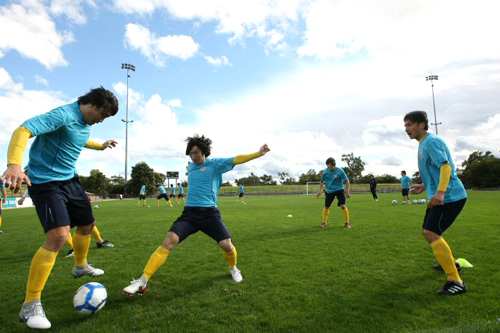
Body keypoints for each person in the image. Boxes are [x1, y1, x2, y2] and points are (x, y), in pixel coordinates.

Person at [1, 86, 119, 329]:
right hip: (45, 182)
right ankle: (30, 304)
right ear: (93, 105)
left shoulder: (84, 123)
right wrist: (14, 164)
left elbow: (81, 140)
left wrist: (101, 145)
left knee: (87, 224)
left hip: (70, 180)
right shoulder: (63, 115)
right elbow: (23, 129)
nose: (101, 120)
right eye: (103, 115)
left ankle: (80, 266)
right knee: (59, 236)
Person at [123, 135, 270, 295]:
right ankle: (142, 281)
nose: (193, 156)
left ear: (204, 152)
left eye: (196, 153)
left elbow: (236, 159)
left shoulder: (215, 164)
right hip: (190, 214)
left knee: (227, 245)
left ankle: (233, 268)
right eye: (191, 153)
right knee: (168, 241)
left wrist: (258, 153)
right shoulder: (191, 166)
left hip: (210, 214)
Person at [404, 110, 468, 295]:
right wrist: (424, 186)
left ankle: (456, 281)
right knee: (429, 231)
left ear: (422, 124)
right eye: (405, 126)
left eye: (409, 125)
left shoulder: (431, 141)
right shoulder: (423, 144)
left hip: (449, 197)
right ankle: (451, 263)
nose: (406, 129)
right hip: (438, 196)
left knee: (430, 232)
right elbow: (435, 170)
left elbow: (445, 166)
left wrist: (440, 192)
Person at [17, 189, 114, 255]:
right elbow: (32, 182)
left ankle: (100, 241)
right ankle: (74, 248)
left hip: (69, 196)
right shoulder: (39, 168)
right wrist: (23, 197)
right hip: (55, 199)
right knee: (62, 226)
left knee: (86, 221)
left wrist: (83, 193)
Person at [316, 158, 351, 229]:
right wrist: (320, 190)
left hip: (339, 190)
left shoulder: (340, 171)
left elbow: (347, 181)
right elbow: (321, 181)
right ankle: (324, 222)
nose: (328, 166)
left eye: (330, 165)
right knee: (326, 207)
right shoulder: (325, 171)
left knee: (342, 206)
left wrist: (347, 192)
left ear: (333, 165)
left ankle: (347, 222)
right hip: (330, 191)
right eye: (327, 165)